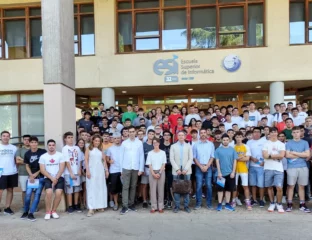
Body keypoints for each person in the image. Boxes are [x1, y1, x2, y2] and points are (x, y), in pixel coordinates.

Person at [20, 136, 47, 221]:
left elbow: (44, 165)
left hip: (41, 177)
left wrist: (36, 173)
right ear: (29, 143)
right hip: (31, 178)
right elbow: (27, 165)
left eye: (35, 142)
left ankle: (31, 213)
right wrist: (31, 174)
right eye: (32, 142)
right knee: (28, 195)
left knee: (37, 195)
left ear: (37, 143)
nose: (34, 144)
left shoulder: (43, 152)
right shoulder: (27, 153)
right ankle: (25, 212)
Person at [120, 126, 144, 215]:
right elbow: (121, 157)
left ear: (135, 132)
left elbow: (141, 156)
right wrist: (121, 170)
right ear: (128, 133)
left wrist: (141, 168)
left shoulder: (139, 143)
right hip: (126, 167)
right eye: (129, 132)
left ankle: (131, 204)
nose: (131, 133)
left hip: (135, 167)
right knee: (125, 186)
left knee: (133, 186)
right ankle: (125, 205)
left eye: (133, 131)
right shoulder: (124, 143)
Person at [285, 126, 311, 212]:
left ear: (301, 133)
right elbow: (288, 155)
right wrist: (301, 154)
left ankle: (302, 204)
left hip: (303, 166)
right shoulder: (288, 143)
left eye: (298, 132)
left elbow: (307, 154)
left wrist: (294, 152)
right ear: (292, 133)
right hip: (291, 167)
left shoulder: (305, 143)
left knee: (302, 186)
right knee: (291, 186)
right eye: (294, 132)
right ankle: (289, 204)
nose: (296, 134)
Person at [39, 139, 66, 220]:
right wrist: (51, 178)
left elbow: (62, 168)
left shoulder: (60, 155)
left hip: (59, 177)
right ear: (47, 146)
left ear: (55, 146)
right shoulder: (43, 156)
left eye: (53, 145)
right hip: (48, 177)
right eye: (50, 145)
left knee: (58, 193)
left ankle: (53, 211)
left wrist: (56, 178)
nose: (51, 147)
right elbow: (42, 170)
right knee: (49, 192)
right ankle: (48, 212)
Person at [262, 127, 286, 213]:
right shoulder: (266, 144)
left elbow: (282, 156)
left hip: (278, 169)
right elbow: (264, 156)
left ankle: (279, 204)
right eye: (271, 132)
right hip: (268, 168)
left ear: (277, 133)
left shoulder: (281, 144)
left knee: (279, 187)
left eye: (274, 132)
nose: (273, 133)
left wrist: (270, 156)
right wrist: (276, 155)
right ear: (269, 133)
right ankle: (272, 203)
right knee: (269, 187)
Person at [85, 135, 109, 217]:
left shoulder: (101, 149)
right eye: (96, 141)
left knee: (99, 188)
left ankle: (99, 205)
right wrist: (87, 171)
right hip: (92, 171)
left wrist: (106, 170)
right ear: (93, 141)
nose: (97, 142)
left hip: (100, 171)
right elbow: (86, 160)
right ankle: (91, 208)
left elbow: (103, 160)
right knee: (91, 188)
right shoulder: (88, 149)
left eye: (99, 141)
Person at [170, 131, 193, 213]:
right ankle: (177, 206)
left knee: (186, 189)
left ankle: (186, 206)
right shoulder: (173, 146)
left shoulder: (188, 146)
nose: (181, 136)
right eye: (179, 135)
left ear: (185, 136)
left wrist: (186, 169)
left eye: (182, 135)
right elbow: (171, 159)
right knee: (176, 189)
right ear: (177, 136)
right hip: (176, 171)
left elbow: (190, 158)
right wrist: (177, 169)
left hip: (187, 171)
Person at [193, 129, 215, 210]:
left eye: (204, 132)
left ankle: (209, 204)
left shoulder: (211, 144)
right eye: (201, 133)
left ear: (206, 133)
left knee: (209, 185)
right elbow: (194, 157)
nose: (203, 134)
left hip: (208, 167)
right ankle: (198, 203)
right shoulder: (196, 145)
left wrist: (207, 166)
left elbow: (212, 156)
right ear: (199, 134)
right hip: (199, 167)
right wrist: (201, 166)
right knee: (198, 186)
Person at [215, 134, 238, 211]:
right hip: (221, 174)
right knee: (220, 190)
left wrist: (233, 172)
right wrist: (219, 172)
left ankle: (228, 204)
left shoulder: (232, 150)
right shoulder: (218, 150)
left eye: (227, 140)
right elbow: (217, 161)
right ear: (222, 140)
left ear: (229, 140)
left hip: (230, 173)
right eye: (224, 140)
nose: (225, 141)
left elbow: (235, 161)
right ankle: (219, 204)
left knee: (228, 190)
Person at [62, 132, 83, 214]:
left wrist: (79, 169)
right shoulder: (65, 148)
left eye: (71, 137)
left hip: (77, 172)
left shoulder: (77, 148)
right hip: (69, 173)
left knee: (77, 189)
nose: (70, 139)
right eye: (69, 137)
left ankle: (76, 204)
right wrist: (71, 173)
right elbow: (67, 161)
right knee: (70, 190)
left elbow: (80, 159)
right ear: (65, 139)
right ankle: (70, 206)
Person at [232, 132, 252, 210]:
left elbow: (247, 158)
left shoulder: (246, 147)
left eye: (240, 137)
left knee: (245, 186)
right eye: (237, 137)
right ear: (235, 138)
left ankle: (248, 202)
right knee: (234, 187)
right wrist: (242, 156)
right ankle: (233, 201)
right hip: (234, 169)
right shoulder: (233, 147)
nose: (239, 138)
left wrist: (237, 158)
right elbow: (232, 159)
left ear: (242, 138)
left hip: (244, 169)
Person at [247, 127, 267, 207]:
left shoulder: (264, 141)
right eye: (255, 132)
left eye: (258, 132)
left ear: (260, 133)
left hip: (261, 166)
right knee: (253, 184)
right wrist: (251, 158)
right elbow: (247, 153)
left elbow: (267, 152)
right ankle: (254, 200)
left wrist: (264, 162)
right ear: (252, 133)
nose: (256, 133)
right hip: (252, 165)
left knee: (261, 184)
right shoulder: (249, 142)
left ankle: (261, 199)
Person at [146, 138, 166, 213]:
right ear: (153, 144)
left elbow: (164, 163)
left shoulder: (162, 153)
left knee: (161, 189)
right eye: (154, 143)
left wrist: (159, 173)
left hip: (161, 171)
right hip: (152, 172)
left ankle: (160, 206)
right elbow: (149, 164)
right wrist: (153, 173)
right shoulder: (150, 153)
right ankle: (154, 206)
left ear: (159, 143)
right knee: (153, 190)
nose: (155, 144)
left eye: (156, 143)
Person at [0, 131, 18, 215]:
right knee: (0, 191)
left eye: (7, 136)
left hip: (12, 171)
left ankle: (7, 208)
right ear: (1, 137)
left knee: (10, 190)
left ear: (9, 137)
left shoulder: (14, 148)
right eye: (4, 136)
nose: (6, 137)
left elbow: (16, 160)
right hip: (1, 173)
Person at [106, 132, 123, 211]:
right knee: (114, 189)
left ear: (121, 138)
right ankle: (116, 203)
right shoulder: (110, 148)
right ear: (112, 139)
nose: (117, 140)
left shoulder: (124, 147)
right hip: (113, 171)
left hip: (123, 170)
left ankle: (125, 203)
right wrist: (109, 161)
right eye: (115, 138)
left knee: (124, 188)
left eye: (118, 138)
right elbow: (107, 158)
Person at [15, 134, 30, 211]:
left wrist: (22, 160)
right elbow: (17, 161)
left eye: (28, 139)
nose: (27, 141)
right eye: (25, 139)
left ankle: (33, 205)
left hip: (33, 174)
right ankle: (25, 206)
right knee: (24, 190)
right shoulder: (20, 150)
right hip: (22, 173)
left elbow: (36, 162)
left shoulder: (34, 149)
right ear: (23, 141)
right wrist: (29, 161)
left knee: (33, 190)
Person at [142, 129, 155, 209]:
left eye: (152, 134)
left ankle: (151, 199)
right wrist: (142, 168)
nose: (151, 135)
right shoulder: (143, 145)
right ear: (147, 135)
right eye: (149, 134)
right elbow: (141, 157)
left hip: (154, 168)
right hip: (145, 167)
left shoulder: (155, 144)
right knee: (145, 185)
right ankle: (144, 200)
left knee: (152, 185)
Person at [160, 130, 173, 209]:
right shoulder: (160, 146)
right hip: (162, 167)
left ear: (170, 137)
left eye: (168, 135)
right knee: (163, 184)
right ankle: (164, 199)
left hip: (171, 167)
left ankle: (170, 200)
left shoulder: (173, 145)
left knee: (170, 184)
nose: (167, 136)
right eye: (165, 135)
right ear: (163, 136)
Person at [76, 138, 87, 209]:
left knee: (85, 188)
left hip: (85, 171)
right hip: (79, 172)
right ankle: (81, 203)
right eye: (80, 143)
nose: (81, 144)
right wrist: (82, 171)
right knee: (79, 188)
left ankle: (85, 202)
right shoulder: (75, 151)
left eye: (82, 143)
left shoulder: (85, 151)